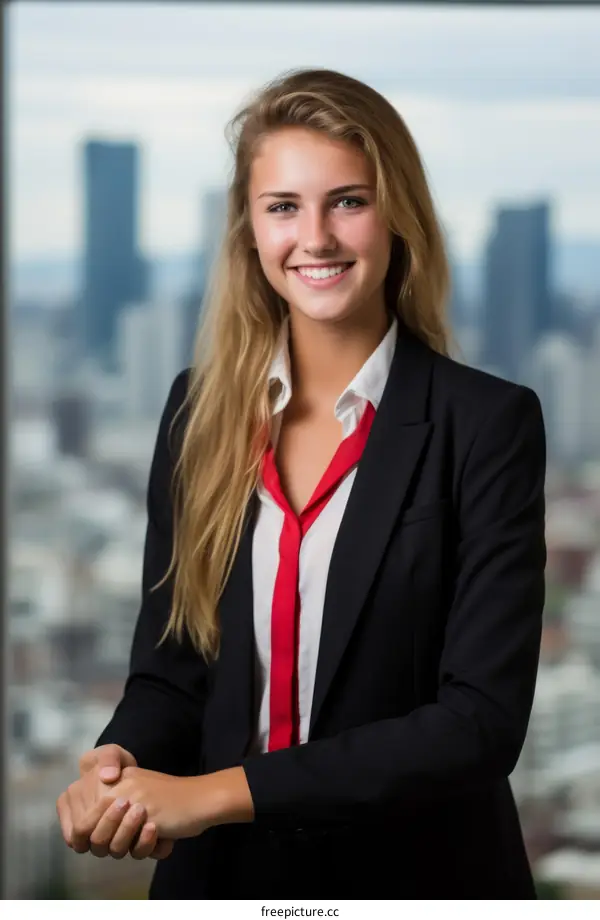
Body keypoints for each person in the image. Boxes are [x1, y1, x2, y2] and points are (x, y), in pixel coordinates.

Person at [56, 67, 546, 899]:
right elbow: (173, 668)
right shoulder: (199, 411)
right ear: (249, 230)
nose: (314, 237)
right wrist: (119, 761)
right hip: (219, 882)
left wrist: (211, 796)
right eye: (283, 206)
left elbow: (478, 726)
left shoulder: (487, 425)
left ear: (399, 219)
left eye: (348, 201)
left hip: (417, 880)